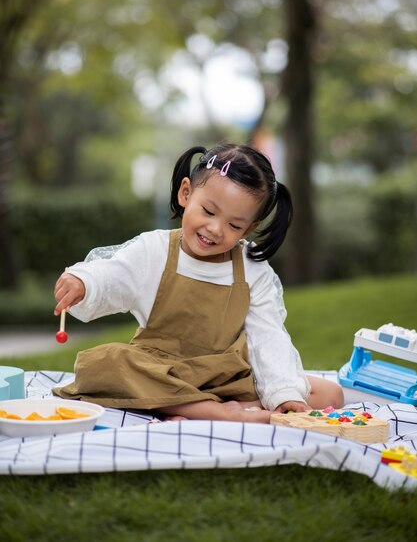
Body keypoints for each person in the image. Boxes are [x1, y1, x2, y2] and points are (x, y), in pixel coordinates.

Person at [53, 143, 343, 423]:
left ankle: (209, 406)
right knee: (104, 364)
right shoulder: (154, 250)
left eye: (234, 225)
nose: (215, 229)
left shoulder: (252, 269)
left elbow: (268, 336)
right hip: (160, 371)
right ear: (186, 193)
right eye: (208, 211)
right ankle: (219, 412)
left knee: (329, 392)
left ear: (250, 228)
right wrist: (84, 283)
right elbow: (113, 275)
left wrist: (283, 394)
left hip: (224, 376)